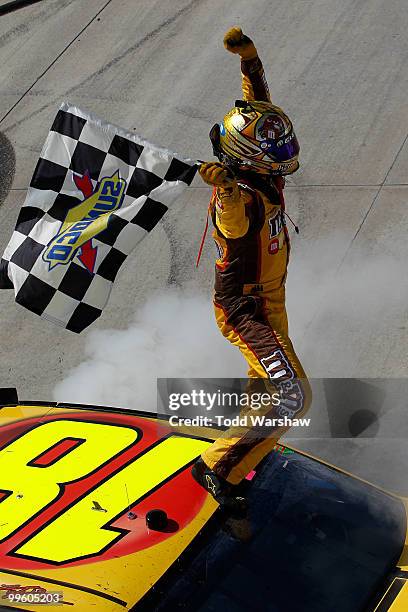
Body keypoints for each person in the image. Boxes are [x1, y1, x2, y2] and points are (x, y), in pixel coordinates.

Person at [191, 27, 312, 511]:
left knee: (266, 392)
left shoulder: (257, 165)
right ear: (245, 159)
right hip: (249, 310)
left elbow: (258, 114)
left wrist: (251, 61)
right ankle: (219, 470)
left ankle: (247, 449)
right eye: (274, 150)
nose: (282, 152)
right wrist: (223, 190)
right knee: (291, 397)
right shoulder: (237, 197)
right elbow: (231, 218)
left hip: (269, 300)